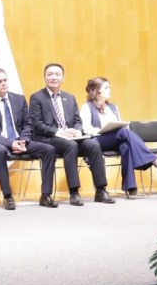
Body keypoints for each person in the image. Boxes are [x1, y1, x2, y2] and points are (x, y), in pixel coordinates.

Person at [29, 63, 116, 206]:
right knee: (70, 146)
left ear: (63, 78)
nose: (53, 77)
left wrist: (77, 130)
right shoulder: (37, 98)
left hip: (72, 137)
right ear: (44, 78)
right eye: (50, 74)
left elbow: (77, 120)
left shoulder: (70, 98)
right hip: (50, 138)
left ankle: (100, 190)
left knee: (93, 145)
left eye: (57, 74)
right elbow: (37, 125)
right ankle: (74, 191)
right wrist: (60, 132)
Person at [0, 68, 58, 210]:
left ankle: (46, 195)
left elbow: (28, 124)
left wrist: (23, 140)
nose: (3, 84)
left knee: (49, 149)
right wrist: (11, 143)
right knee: (0, 151)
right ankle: (8, 197)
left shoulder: (19, 99)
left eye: (5, 80)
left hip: (20, 141)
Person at [79, 76, 157, 198]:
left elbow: (119, 124)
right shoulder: (87, 106)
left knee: (126, 146)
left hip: (114, 139)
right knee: (123, 133)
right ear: (97, 91)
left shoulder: (113, 107)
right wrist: (101, 130)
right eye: (106, 87)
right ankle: (154, 159)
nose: (110, 90)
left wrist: (120, 128)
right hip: (96, 140)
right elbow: (85, 128)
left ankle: (130, 186)